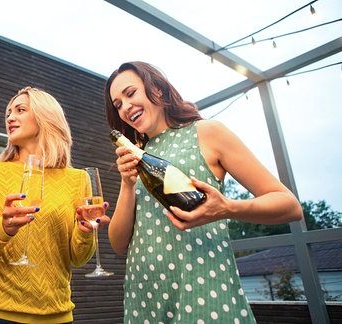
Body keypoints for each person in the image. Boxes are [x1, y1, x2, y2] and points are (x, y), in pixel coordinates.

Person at [104, 61, 303, 323]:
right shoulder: (139, 157)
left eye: (130, 94)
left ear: (158, 90)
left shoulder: (207, 132)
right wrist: (127, 183)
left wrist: (227, 208)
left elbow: (290, 206)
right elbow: (119, 245)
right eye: (117, 104)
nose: (125, 107)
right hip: (145, 298)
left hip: (202, 290)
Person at [0, 86, 109, 323]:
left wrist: (84, 231)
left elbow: (78, 258)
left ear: (45, 117)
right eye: (8, 112)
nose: (10, 117)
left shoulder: (78, 179)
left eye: (20, 110)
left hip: (55, 314)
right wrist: (3, 229)